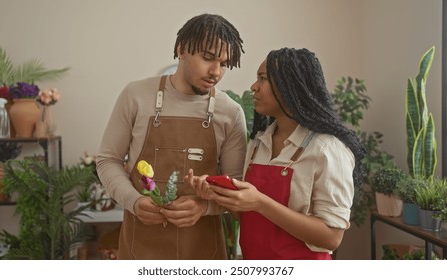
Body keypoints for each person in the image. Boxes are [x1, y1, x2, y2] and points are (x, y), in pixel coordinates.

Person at [186, 47, 366, 260]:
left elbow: (332, 237)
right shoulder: (258, 143)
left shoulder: (327, 149)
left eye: (262, 78)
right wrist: (218, 195)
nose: (254, 87)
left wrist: (260, 202)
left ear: (289, 86)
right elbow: (251, 218)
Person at [96, 13, 247, 260]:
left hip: (203, 253)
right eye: (208, 58)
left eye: (224, 63)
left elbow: (236, 189)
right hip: (140, 249)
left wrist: (204, 206)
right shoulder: (135, 96)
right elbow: (108, 160)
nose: (216, 72)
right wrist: (133, 201)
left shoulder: (230, 112)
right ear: (182, 49)